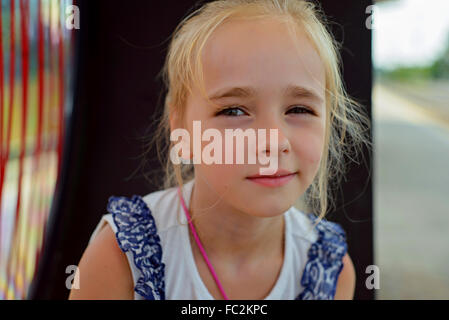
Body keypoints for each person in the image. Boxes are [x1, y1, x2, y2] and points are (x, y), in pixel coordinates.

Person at [69, 0, 371, 300]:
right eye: (234, 111)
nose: (274, 141)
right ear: (181, 125)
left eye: (299, 108)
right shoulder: (123, 257)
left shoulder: (330, 272)